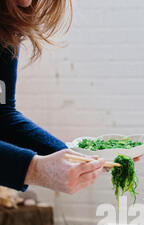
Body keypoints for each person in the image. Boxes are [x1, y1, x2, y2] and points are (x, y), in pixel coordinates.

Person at [0, 0, 106, 194]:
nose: (26, 2)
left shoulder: (6, 23)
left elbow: (2, 114)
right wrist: (34, 169)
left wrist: (81, 158)